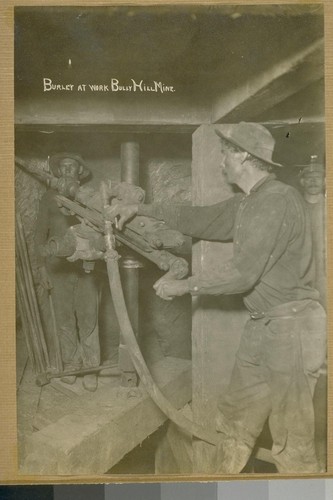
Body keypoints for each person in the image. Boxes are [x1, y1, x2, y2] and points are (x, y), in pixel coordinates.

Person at [106, 122, 326, 473]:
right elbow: (200, 218)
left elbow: (242, 275)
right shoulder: (248, 202)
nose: (222, 160)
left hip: (293, 328)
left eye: (226, 152)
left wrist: (183, 286)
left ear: (243, 157)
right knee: (235, 420)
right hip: (264, 325)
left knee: (293, 439)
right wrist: (141, 209)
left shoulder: (277, 201)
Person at [35, 153, 100, 392]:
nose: (67, 170)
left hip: (87, 267)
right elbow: (40, 233)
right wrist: (41, 266)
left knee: (88, 317)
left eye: (72, 167)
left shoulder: (89, 198)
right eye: (63, 167)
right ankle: (73, 365)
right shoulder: (48, 198)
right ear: (59, 172)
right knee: (64, 318)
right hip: (58, 268)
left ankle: (90, 368)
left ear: (80, 172)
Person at [299, 156, 326, 307]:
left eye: (318, 178)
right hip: (303, 271)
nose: (314, 181)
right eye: (309, 178)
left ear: (324, 181)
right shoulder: (295, 207)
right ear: (302, 182)